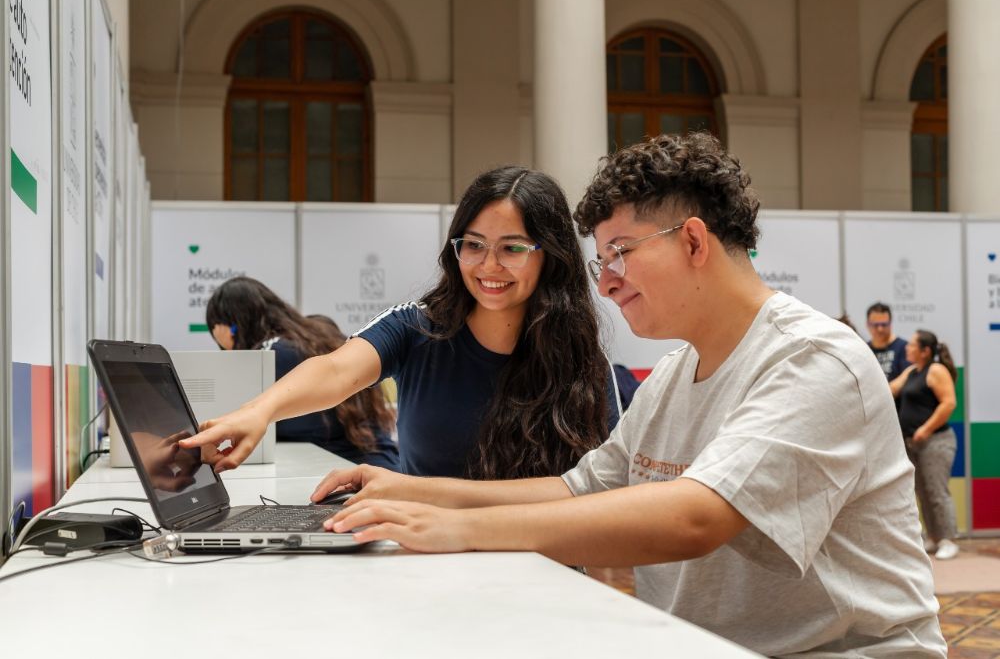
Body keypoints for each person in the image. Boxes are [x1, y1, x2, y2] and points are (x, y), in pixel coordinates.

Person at [302, 133, 946, 657]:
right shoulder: (672, 376)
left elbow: (696, 517)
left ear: (693, 241)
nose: (606, 283)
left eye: (620, 254)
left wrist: (459, 529)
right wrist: (414, 492)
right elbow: (578, 489)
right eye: (601, 261)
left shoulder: (813, 358)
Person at [184, 166, 620, 480]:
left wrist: (410, 495)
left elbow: (592, 496)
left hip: (543, 571)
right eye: (473, 245)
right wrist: (258, 412)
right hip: (428, 563)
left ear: (551, 256)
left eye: (512, 248)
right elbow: (335, 369)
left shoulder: (580, 361)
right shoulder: (417, 328)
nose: (489, 266)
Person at [205, 277, 400, 469]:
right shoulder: (317, 332)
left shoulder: (270, 355)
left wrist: (230, 345)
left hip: (354, 471)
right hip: (382, 463)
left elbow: (245, 420)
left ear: (230, 326)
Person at [889, 329, 960, 560]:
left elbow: (949, 403)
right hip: (913, 444)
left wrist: (926, 429)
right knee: (922, 491)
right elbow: (891, 389)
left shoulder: (936, 370)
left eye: (912, 345)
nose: (907, 348)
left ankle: (949, 539)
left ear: (925, 351)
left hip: (936, 441)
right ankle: (934, 537)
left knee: (937, 491)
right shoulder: (912, 371)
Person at [866, 301, 908, 382]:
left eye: (884, 324)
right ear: (867, 324)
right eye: (876, 325)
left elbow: (908, 381)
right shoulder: (864, 349)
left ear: (890, 324)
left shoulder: (904, 348)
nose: (880, 329)